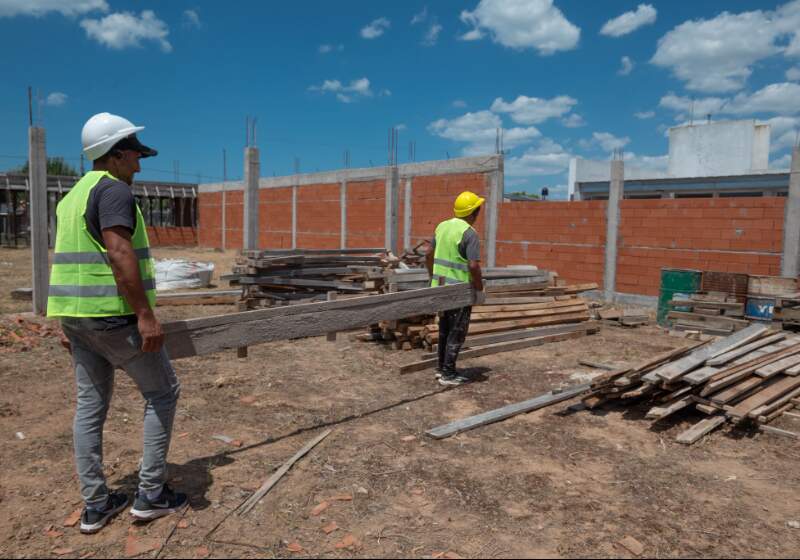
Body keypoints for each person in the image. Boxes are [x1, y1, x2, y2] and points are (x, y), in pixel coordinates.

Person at [47, 113, 187, 534]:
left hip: (77, 320)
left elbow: (69, 262)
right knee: (163, 392)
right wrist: (145, 316)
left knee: (90, 406)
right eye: (134, 156)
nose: (139, 165)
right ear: (116, 154)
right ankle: (150, 494)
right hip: (113, 318)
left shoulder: (72, 197)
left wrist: (66, 321)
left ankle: (95, 503)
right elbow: (119, 254)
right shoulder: (114, 192)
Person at [425, 191, 485, 386]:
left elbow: (428, 255)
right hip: (459, 291)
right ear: (473, 212)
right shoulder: (469, 233)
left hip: (440, 288)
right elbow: (474, 266)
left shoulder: (442, 226)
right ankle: (448, 374)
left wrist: (431, 277)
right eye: (478, 210)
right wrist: (479, 289)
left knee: (444, 328)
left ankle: (441, 368)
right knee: (457, 331)